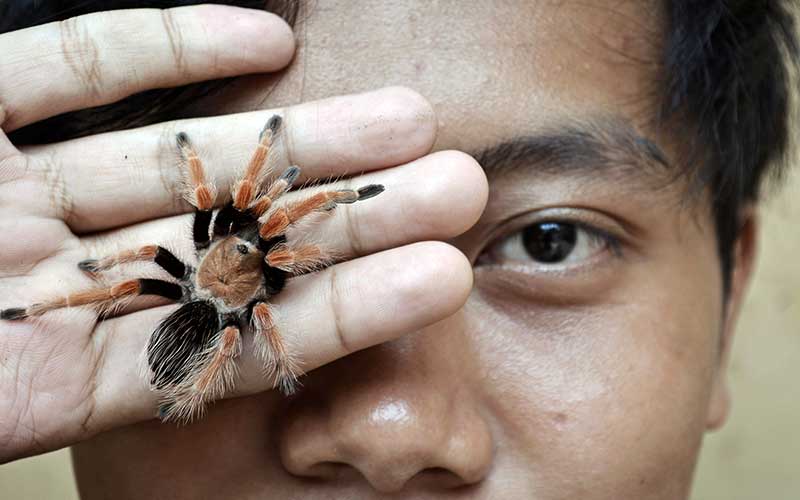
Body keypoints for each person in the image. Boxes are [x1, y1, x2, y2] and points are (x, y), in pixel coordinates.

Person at [0, 1, 796, 498]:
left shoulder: (238, 269)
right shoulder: (230, 278)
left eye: (550, 241)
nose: (392, 433)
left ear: (730, 304)